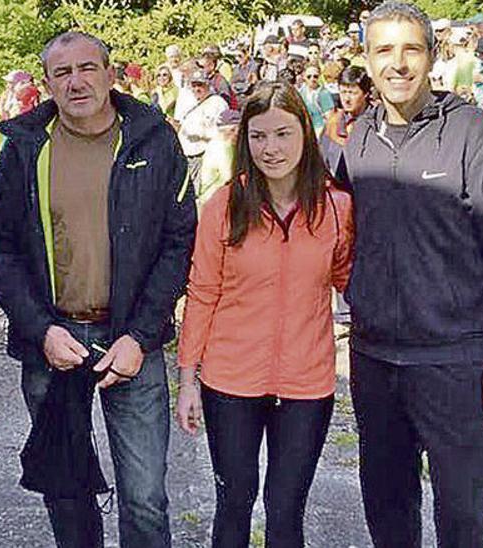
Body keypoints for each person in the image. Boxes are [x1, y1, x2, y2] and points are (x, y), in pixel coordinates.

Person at [0, 30, 194, 548]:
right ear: (48, 83)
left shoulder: (153, 139)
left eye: (86, 68)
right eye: (62, 73)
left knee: (145, 496)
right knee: (67, 486)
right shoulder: (24, 149)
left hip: (129, 340)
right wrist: (39, 330)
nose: (76, 82)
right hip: (54, 341)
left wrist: (142, 336)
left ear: (108, 73)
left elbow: (178, 241)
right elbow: (0, 246)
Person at [337, 3, 483, 545]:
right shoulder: (357, 141)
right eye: (383, 50)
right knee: (386, 507)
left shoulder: (476, 136)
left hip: (457, 362)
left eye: (411, 49)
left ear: (432, 57)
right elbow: (337, 236)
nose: (397, 64)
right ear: (367, 59)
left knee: (463, 517)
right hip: (375, 360)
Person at [176, 81, 353, 548]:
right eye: (258, 136)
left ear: (305, 135)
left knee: (286, 509)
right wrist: (188, 380)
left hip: (307, 384)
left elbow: (348, 278)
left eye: (282, 134)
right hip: (230, 381)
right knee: (234, 503)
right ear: (244, 140)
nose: (270, 149)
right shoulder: (224, 206)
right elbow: (202, 292)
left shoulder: (337, 208)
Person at [175, 70, 229, 191]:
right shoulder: (191, 103)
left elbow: (224, 132)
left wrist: (201, 135)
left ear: (208, 85)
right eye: (193, 85)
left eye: (200, 85)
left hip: (205, 154)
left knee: (202, 192)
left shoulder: (218, 103)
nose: (196, 89)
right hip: (188, 155)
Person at [196, 109, 240, 207]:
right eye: (234, 130)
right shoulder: (221, 147)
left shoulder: (219, 143)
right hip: (214, 200)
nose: (238, 134)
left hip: (215, 198)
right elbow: (229, 176)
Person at [298, 65, 336, 136]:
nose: (312, 79)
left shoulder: (323, 93)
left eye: (315, 76)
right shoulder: (301, 92)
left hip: (319, 128)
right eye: (309, 76)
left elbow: (329, 116)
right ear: (304, 77)